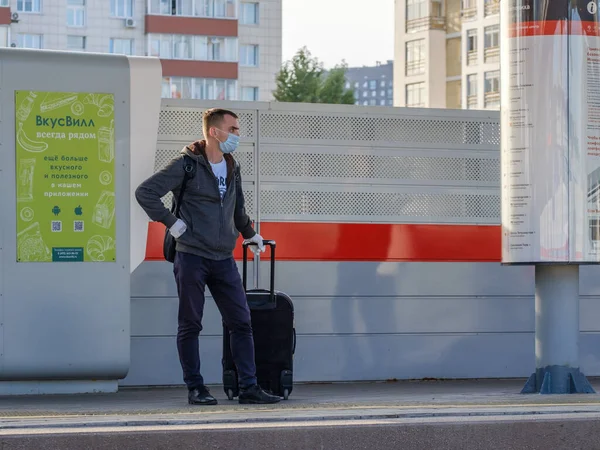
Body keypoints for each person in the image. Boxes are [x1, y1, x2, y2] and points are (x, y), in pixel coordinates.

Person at [135, 108, 281, 405]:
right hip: (191, 256)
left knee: (241, 321)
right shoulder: (186, 164)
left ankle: (249, 387)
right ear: (215, 131)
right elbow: (145, 192)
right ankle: (196, 388)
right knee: (191, 324)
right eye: (234, 129)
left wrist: (250, 233)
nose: (238, 135)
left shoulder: (231, 164)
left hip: (223, 258)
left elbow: (237, 208)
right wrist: (171, 222)